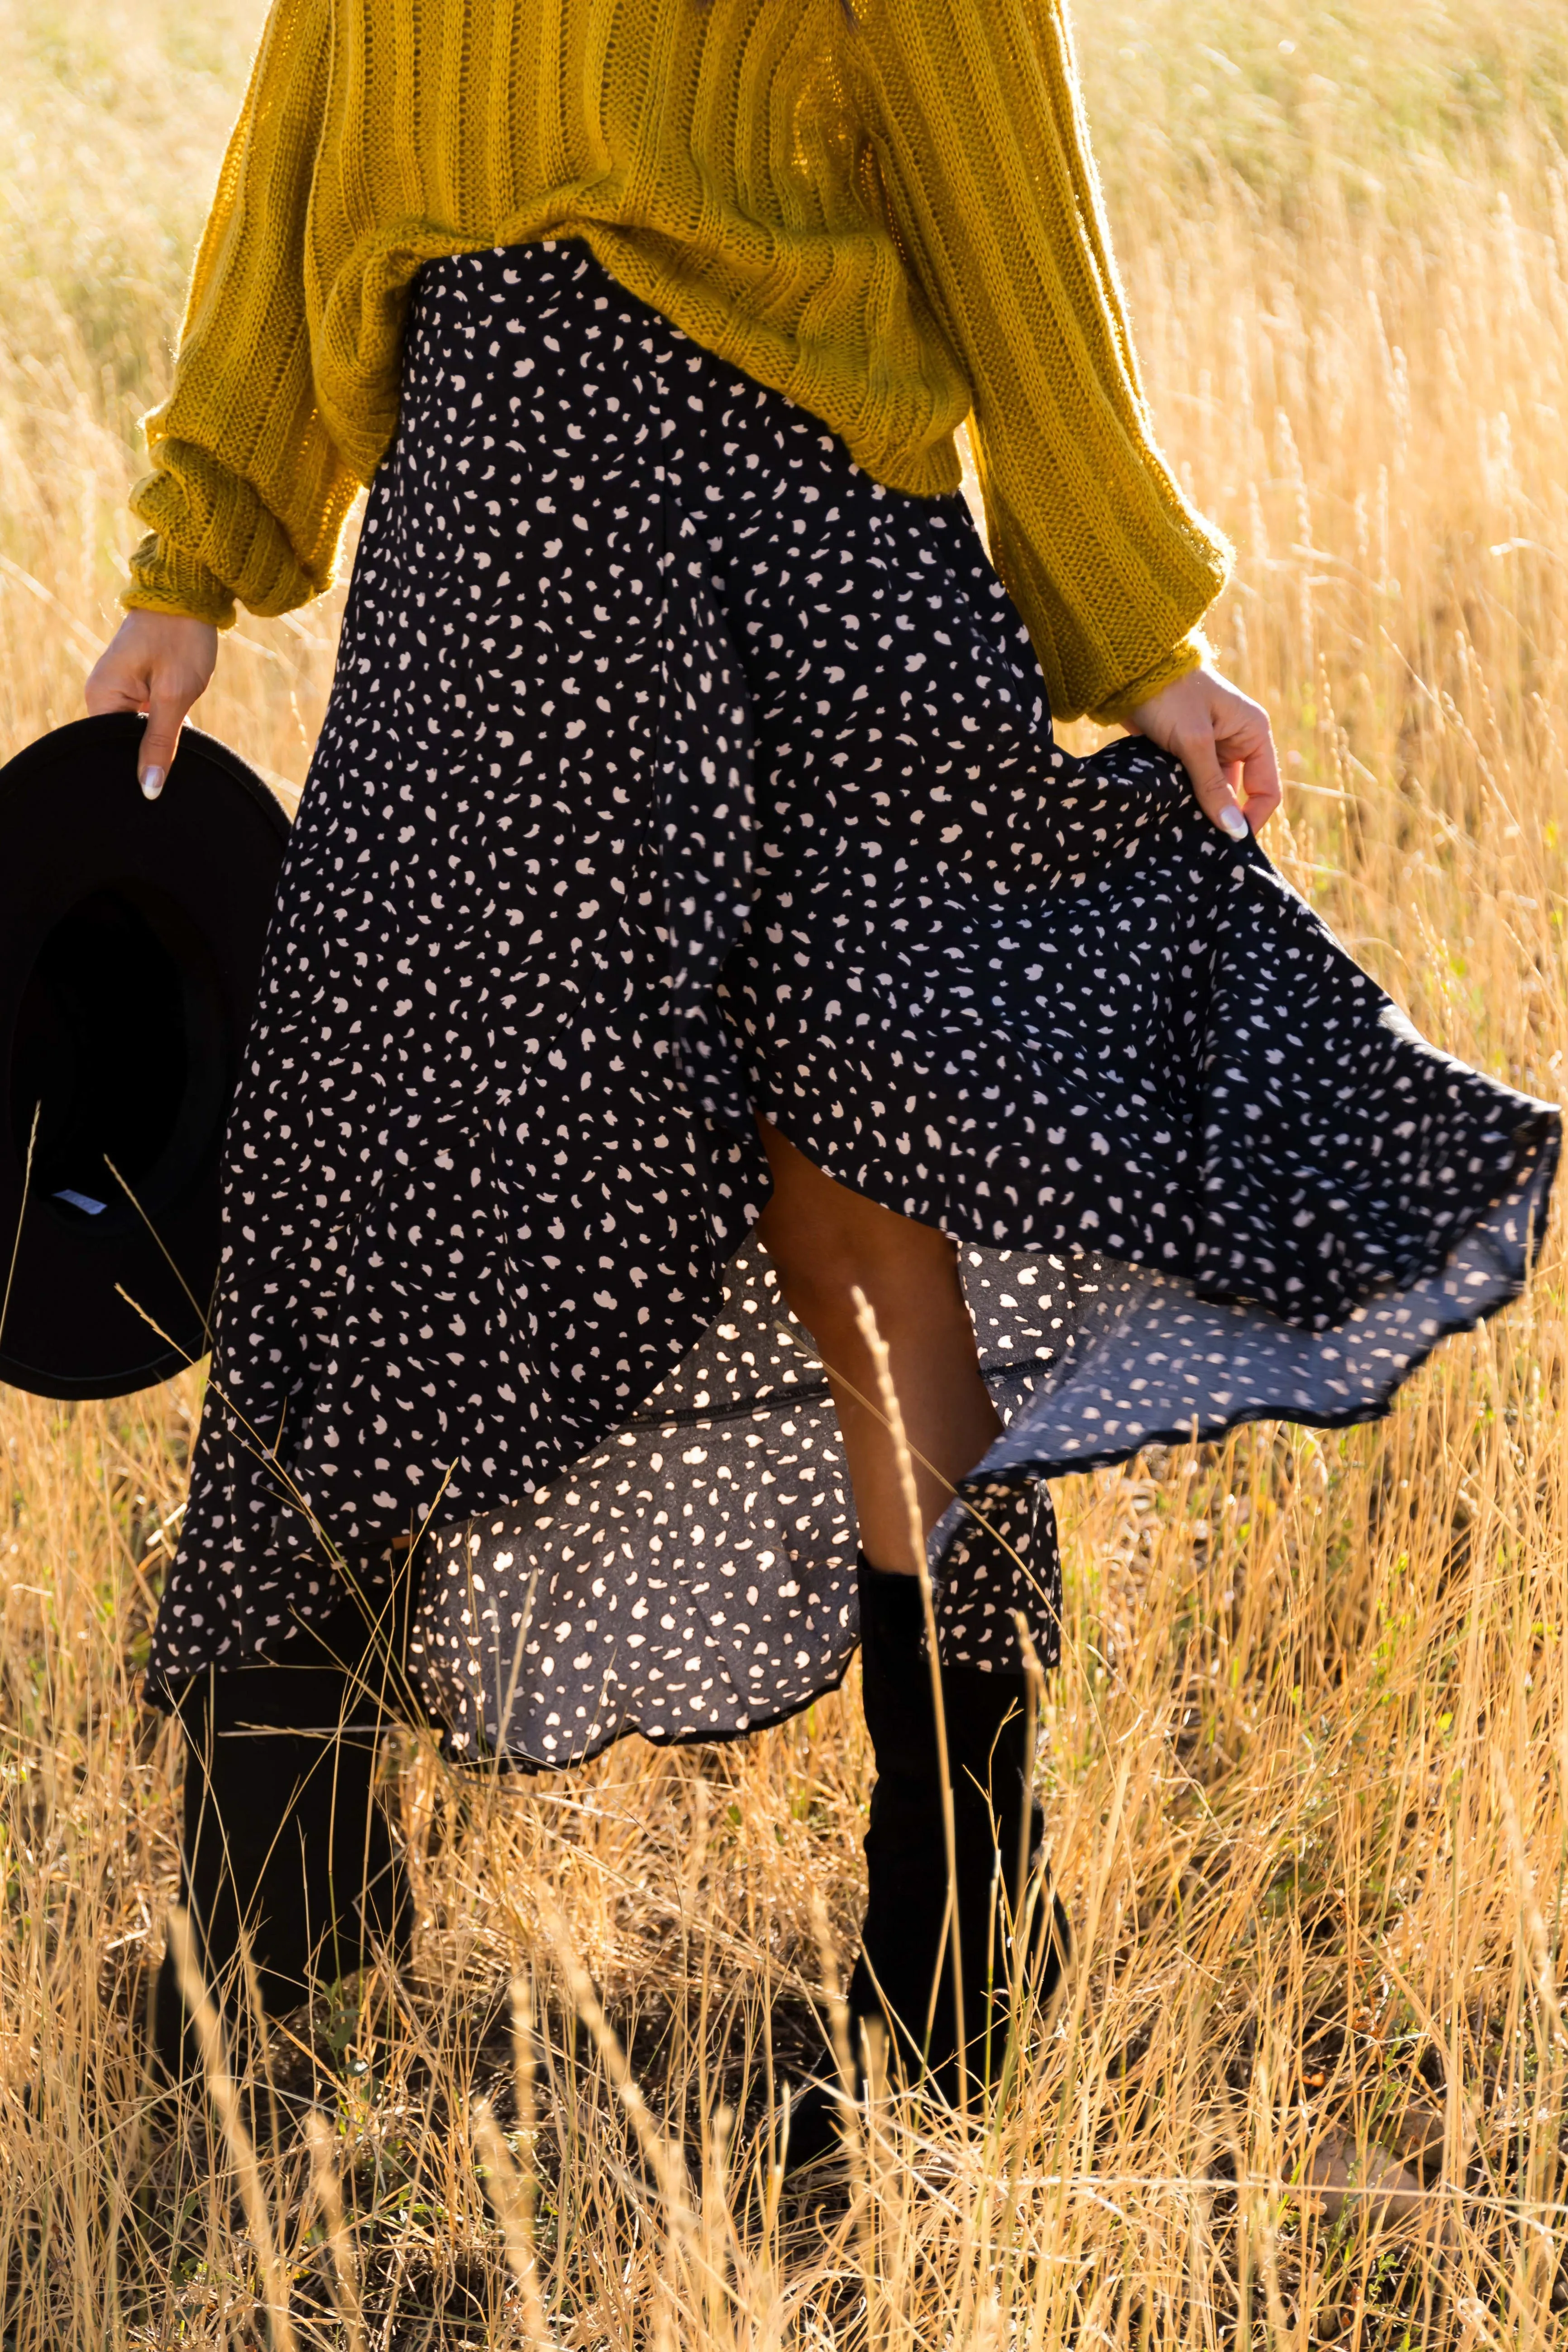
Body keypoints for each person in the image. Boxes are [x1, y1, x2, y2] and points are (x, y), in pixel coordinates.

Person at [86, 0, 1556, 2141]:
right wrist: (191, 562)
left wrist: (1137, 634)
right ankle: (278, 1945)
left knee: (860, 1210)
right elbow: (301, 155)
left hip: (789, 570)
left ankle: (954, 1951)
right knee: (351, 1179)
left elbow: (1002, 213)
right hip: (492, 589)